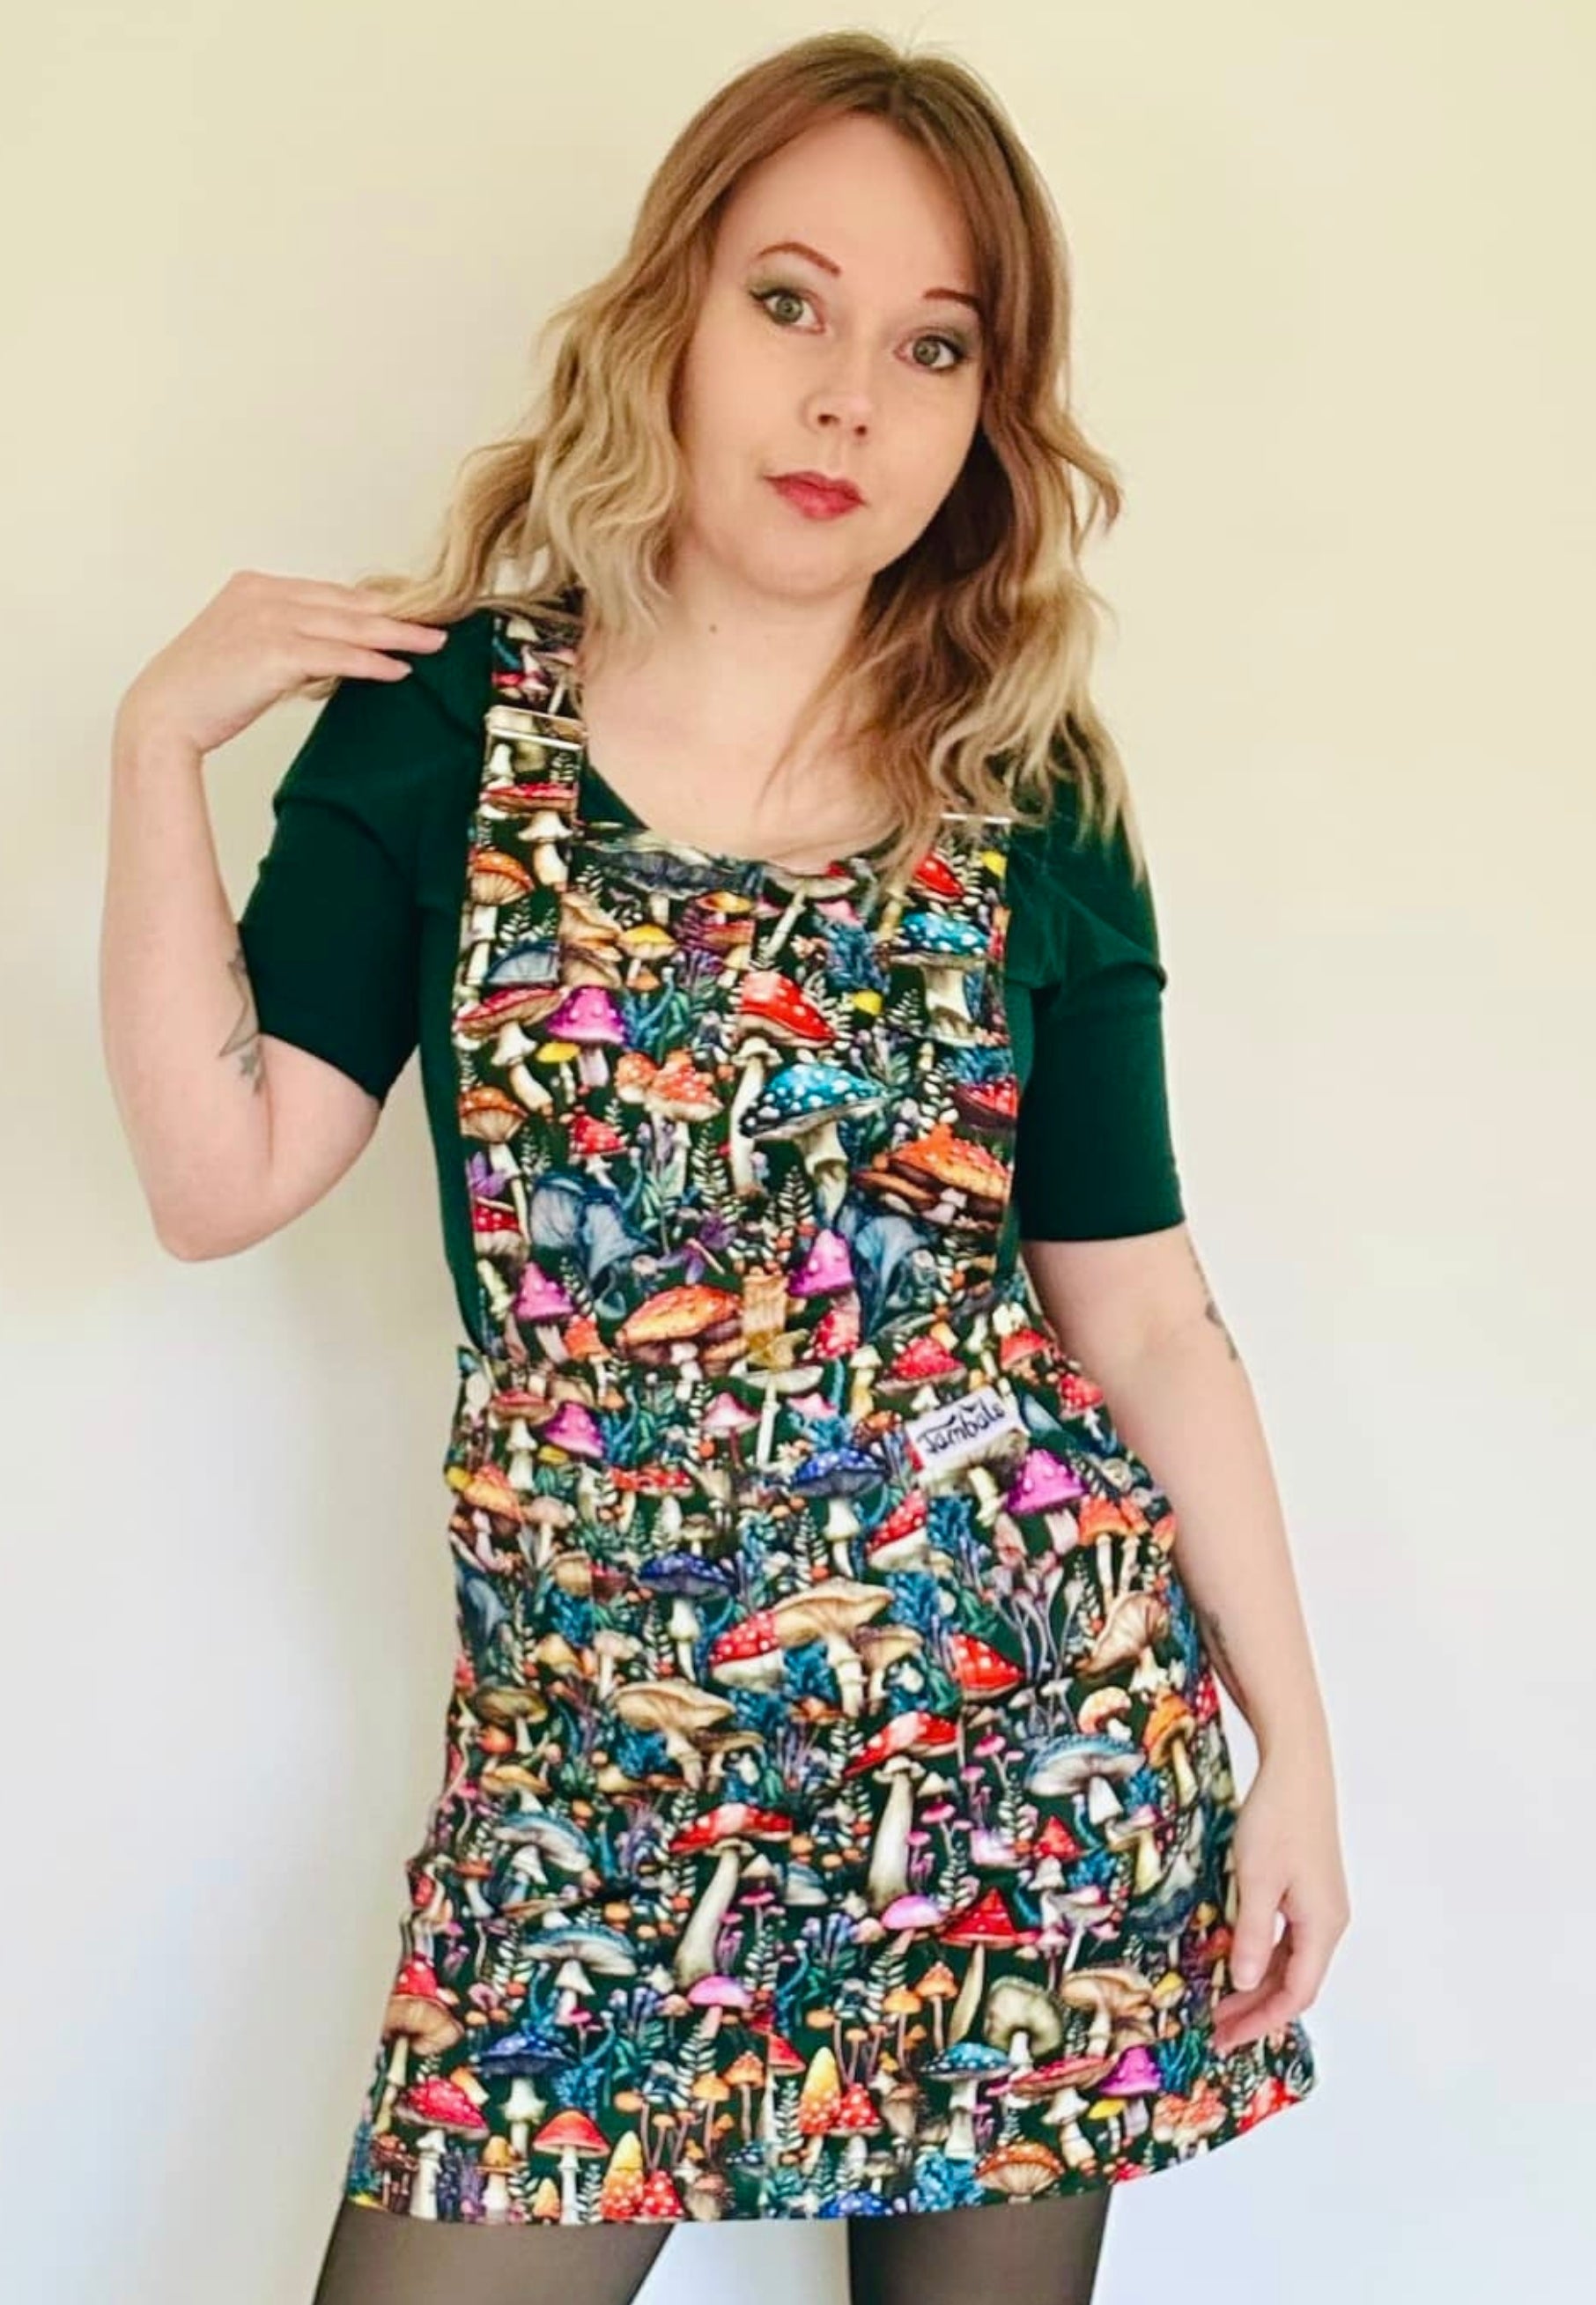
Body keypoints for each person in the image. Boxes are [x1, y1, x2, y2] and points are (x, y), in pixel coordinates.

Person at [101, 29, 1349, 2305]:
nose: (847, 395)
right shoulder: (444, 726)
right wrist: (155, 743)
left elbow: (1141, 1303)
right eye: (790, 301)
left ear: (985, 412)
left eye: (929, 342)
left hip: (1008, 1755)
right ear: (670, 312)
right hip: (585, 1795)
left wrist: (1294, 1753)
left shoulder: (1024, 781)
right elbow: (222, 1166)